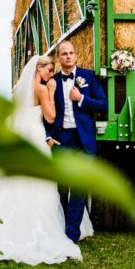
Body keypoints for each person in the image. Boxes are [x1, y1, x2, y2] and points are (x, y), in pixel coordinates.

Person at [0, 54, 84, 264]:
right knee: (37, 184)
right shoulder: (41, 88)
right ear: (38, 69)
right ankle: (30, 229)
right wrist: (51, 92)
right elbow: (50, 117)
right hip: (35, 137)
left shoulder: (17, 90)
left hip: (20, 136)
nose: (50, 75)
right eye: (49, 70)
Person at [45, 40, 106, 243]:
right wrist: (48, 136)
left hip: (83, 140)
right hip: (61, 139)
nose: (68, 56)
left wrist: (81, 98)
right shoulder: (52, 81)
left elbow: (103, 104)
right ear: (58, 58)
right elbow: (45, 113)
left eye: (71, 53)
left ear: (76, 55)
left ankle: (71, 234)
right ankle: (61, 227)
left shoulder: (88, 77)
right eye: (64, 54)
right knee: (61, 187)